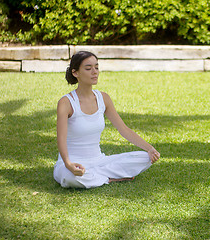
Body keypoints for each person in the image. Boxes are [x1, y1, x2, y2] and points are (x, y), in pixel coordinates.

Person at [53, 51, 160, 188]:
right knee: (69, 178)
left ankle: (94, 175)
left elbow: (124, 130)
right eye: (88, 68)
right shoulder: (66, 102)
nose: (94, 72)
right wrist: (68, 164)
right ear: (75, 73)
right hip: (73, 162)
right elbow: (61, 138)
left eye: (96, 67)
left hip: (99, 161)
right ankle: (108, 178)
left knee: (145, 158)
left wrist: (150, 149)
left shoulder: (103, 98)